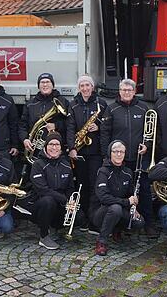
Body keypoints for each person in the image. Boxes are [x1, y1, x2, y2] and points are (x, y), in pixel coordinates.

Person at [99, 78, 158, 237]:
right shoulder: (111, 109)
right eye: (124, 90)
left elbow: (151, 133)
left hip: (139, 159)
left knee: (144, 192)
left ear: (134, 92)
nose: (126, 92)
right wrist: (108, 156)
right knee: (120, 192)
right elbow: (104, 134)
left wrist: (147, 145)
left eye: (129, 90)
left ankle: (148, 224)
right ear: (119, 91)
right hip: (119, 160)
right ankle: (118, 226)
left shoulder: (143, 108)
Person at [66, 75, 108, 229]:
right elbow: (70, 128)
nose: (85, 88)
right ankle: (82, 218)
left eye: (87, 85)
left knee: (94, 186)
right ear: (79, 88)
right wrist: (72, 148)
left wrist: (99, 127)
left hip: (96, 152)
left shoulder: (101, 104)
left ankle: (94, 219)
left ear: (92, 87)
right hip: (80, 152)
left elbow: (108, 125)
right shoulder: (73, 105)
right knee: (81, 185)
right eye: (82, 86)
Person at [91, 140, 145, 256]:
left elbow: (131, 193)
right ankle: (102, 241)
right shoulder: (103, 171)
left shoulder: (128, 172)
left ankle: (116, 229)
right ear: (110, 153)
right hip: (101, 212)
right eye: (115, 151)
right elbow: (104, 198)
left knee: (139, 221)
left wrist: (134, 204)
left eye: (121, 152)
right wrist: (126, 202)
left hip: (119, 208)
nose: (119, 154)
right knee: (116, 209)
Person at [29, 133, 75, 250]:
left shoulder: (66, 163)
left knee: (79, 217)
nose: (54, 147)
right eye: (51, 144)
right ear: (45, 146)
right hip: (41, 203)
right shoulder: (38, 164)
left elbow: (70, 187)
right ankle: (44, 236)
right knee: (48, 201)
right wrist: (64, 200)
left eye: (57, 144)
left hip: (60, 203)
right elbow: (43, 190)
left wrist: (71, 201)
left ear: (61, 147)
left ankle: (55, 227)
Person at [20, 72, 70, 161]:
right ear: (38, 86)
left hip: (56, 150)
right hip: (36, 151)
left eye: (48, 82)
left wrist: (56, 126)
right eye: (42, 82)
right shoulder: (30, 104)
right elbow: (22, 125)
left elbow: (70, 124)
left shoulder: (62, 101)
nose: (45, 85)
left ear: (53, 85)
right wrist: (25, 139)